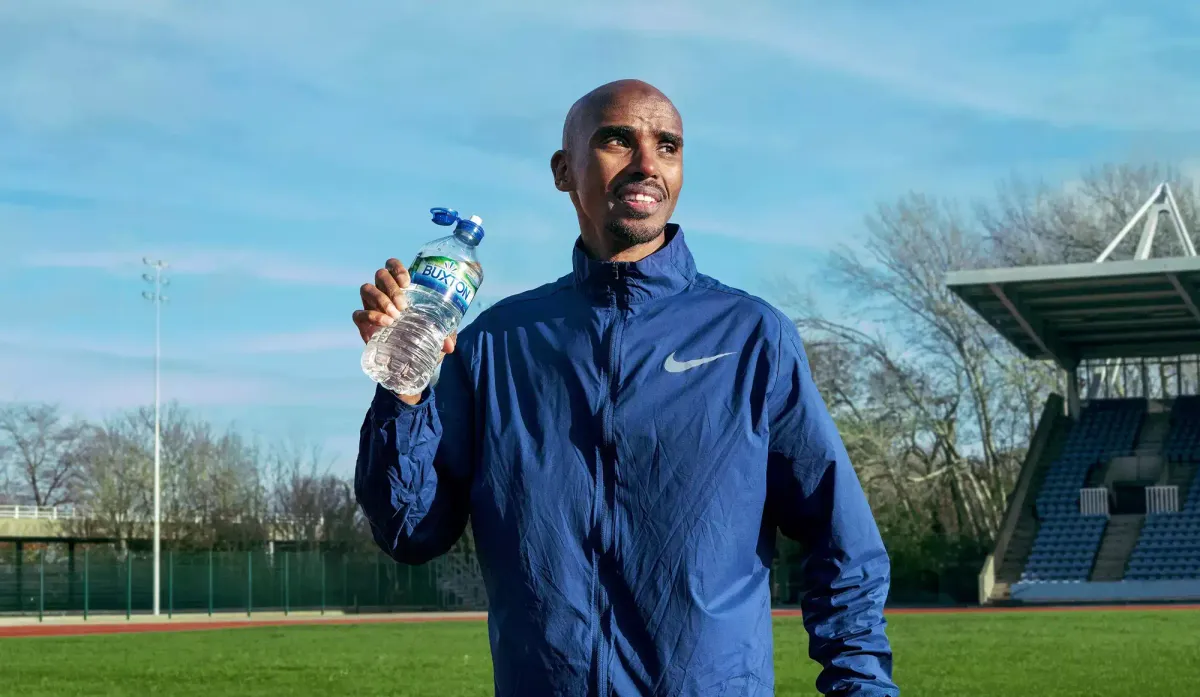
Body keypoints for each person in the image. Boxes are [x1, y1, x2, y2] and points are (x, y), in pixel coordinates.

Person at [353, 79, 898, 697]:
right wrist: (404, 388)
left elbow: (841, 537)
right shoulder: (494, 345)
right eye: (617, 140)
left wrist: (861, 686)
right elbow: (408, 530)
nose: (646, 164)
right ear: (564, 170)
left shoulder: (750, 336)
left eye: (667, 146)